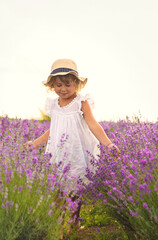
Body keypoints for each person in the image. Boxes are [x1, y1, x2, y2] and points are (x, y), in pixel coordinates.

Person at [25, 58, 120, 233]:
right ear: (52, 85)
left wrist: (108, 144)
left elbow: (93, 125)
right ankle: (59, 222)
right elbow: (52, 130)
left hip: (76, 152)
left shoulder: (81, 102)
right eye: (58, 85)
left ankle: (73, 223)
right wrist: (35, 143)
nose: (63, 89)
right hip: (58, 153)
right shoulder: (53, 104)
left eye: (67, 84)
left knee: (75, 189)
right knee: (58, 189)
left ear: (76, 83)